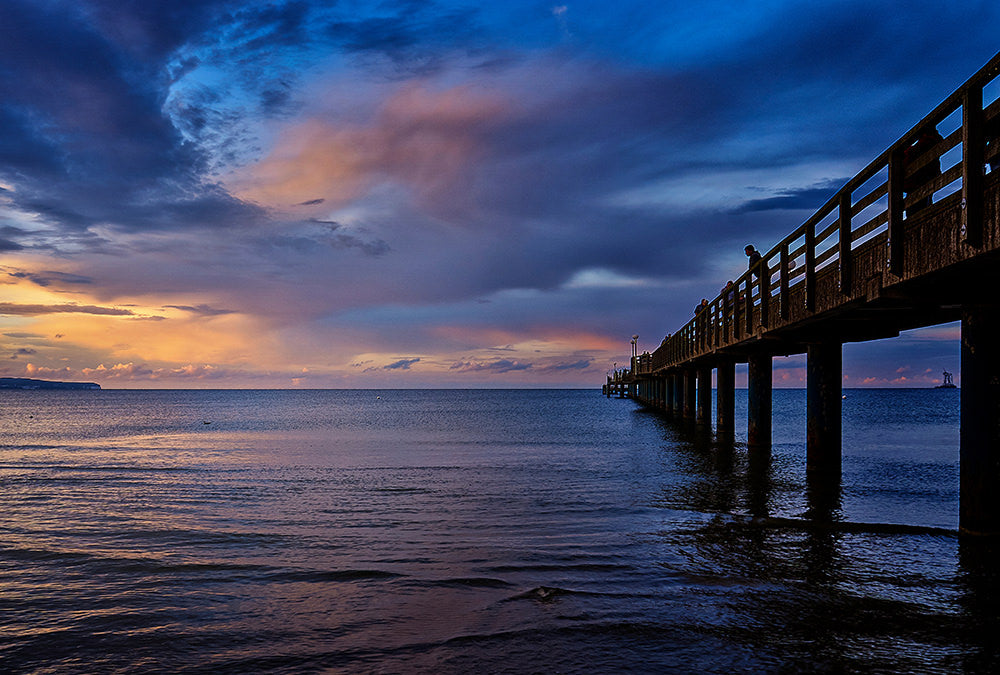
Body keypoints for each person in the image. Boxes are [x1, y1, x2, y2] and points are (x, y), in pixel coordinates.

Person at [903, 124, 943, 216]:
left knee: (915, 213)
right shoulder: (931, 143)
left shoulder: (922, 145)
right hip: (924, 183)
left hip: (916, 185)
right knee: (924, 208)